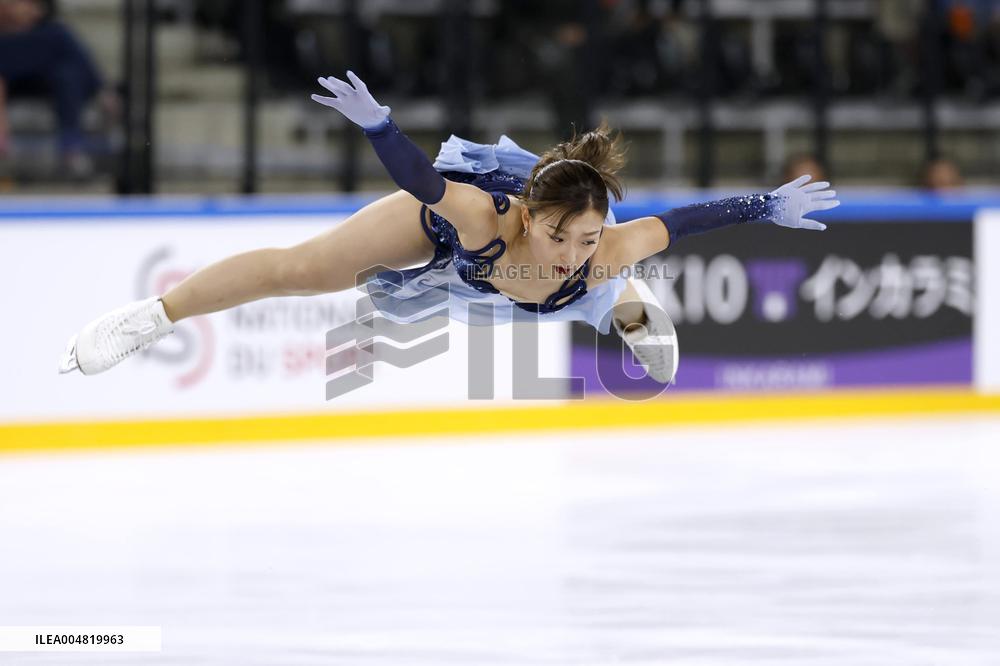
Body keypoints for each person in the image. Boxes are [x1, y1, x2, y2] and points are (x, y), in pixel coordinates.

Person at [58, 71, 839, 386]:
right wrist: (380, 126)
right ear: (528, 217)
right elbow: (422, 181)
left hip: (569, 288)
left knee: (613, 309)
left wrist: (765, 206)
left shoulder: (604, 248)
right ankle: (152, 317)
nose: (572, 253)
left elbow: (688, 220)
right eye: (561, 238)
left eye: (588, 239)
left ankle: (626, 309)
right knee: (301, 270)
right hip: (454, 254)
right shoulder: (482, 217)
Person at [0, 0, 114, 175]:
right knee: (58, 36)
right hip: (10, 68)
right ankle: (100, 90)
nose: (34, 12)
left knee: (67, 74)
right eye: (27, 4)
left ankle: (70, 145)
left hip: (25, 74)